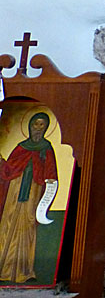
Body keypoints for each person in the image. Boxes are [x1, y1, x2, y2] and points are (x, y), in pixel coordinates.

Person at [0, 112, 59, 283]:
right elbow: (8, 170)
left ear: (46, 128)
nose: (38, 129)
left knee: (27, 228)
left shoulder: (46, 149)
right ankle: (3, 269)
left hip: (33, 193)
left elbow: (51, 175)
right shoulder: (20, 147)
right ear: (29, 126)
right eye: (35, 124)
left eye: (42, 125)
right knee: (7, 226)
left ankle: (24, 271)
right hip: (14, 192)